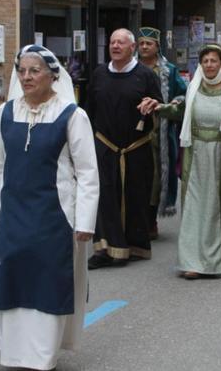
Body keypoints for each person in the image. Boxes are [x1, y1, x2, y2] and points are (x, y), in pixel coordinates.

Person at [0, 45, 99, 371]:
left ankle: (43, 355)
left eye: (35, 70)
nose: (27, 77)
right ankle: (12, 352)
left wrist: (84, 221)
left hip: (53, 214)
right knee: (11, 275)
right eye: (22, 70)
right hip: (13, 211)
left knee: (47, 278)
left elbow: (87, 172)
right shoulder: (5, 113)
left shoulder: (71, 115)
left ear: (52, 76)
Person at [143, 44, 221, 279]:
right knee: (195, 208)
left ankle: (220, 260)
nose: (209, 65)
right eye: (205, 62)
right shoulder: (193, 88)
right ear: (200, 65)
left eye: (214, 61)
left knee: (218, 209)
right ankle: (193, 261)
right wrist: (159, 107)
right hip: (195, 156)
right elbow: (179, 112)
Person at [88, 28, 163, 269]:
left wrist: (153, 105)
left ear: (132, 48)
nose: (115, 46)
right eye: (112, 42)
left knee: (135, 197)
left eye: (121, 42)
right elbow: (88, 109)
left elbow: (158, 104)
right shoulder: (99, 74)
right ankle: (105, 249)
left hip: (136, 147)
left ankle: (133, 245)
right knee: (104, 197)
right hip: (105, 146)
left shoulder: (145, 75)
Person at [137, 27, 187, 238]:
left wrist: (172, 103)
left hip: (160, 131)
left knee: (157, 176)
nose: (144, 47)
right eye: (141, 43)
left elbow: (183, 94)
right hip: (133, 130)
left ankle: (151, 220)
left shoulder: (169, 70)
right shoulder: (130, 68)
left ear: (157, 46)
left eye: (149, 43)